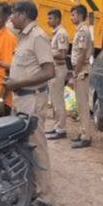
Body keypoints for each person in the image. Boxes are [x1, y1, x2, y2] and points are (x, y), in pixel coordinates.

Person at [4, 0, 56, 206]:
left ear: (24, 14)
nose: (11, 18)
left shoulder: (38, 37)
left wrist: (18, 83)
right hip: (21, 99)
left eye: (14, 14)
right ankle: (31, 190)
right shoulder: (23, 37)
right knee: (26, 148)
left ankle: (45, 197)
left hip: (32, 99)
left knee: (38, 147)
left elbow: (49, 71)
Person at [69, 4, 94, 149]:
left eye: (73, 15)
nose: (72, 18)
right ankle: (83, 132)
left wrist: (75, 73)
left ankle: (86, 136)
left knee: (83, 105)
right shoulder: (80, 31)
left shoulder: (83, 31)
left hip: (82, 70)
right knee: (80, 104)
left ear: (79, 15)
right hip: (80, 69)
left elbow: (82, 54)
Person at [45, 10, 69, 140]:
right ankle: (56, 126)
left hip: (59, 68)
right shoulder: (55, 33)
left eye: (51, 18)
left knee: (58, 100)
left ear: (58, 19)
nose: (48, 21)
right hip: (54, 69)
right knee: (54, 100)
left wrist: (48, 53)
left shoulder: (61, 34)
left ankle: (61, 128)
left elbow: (62, 54)